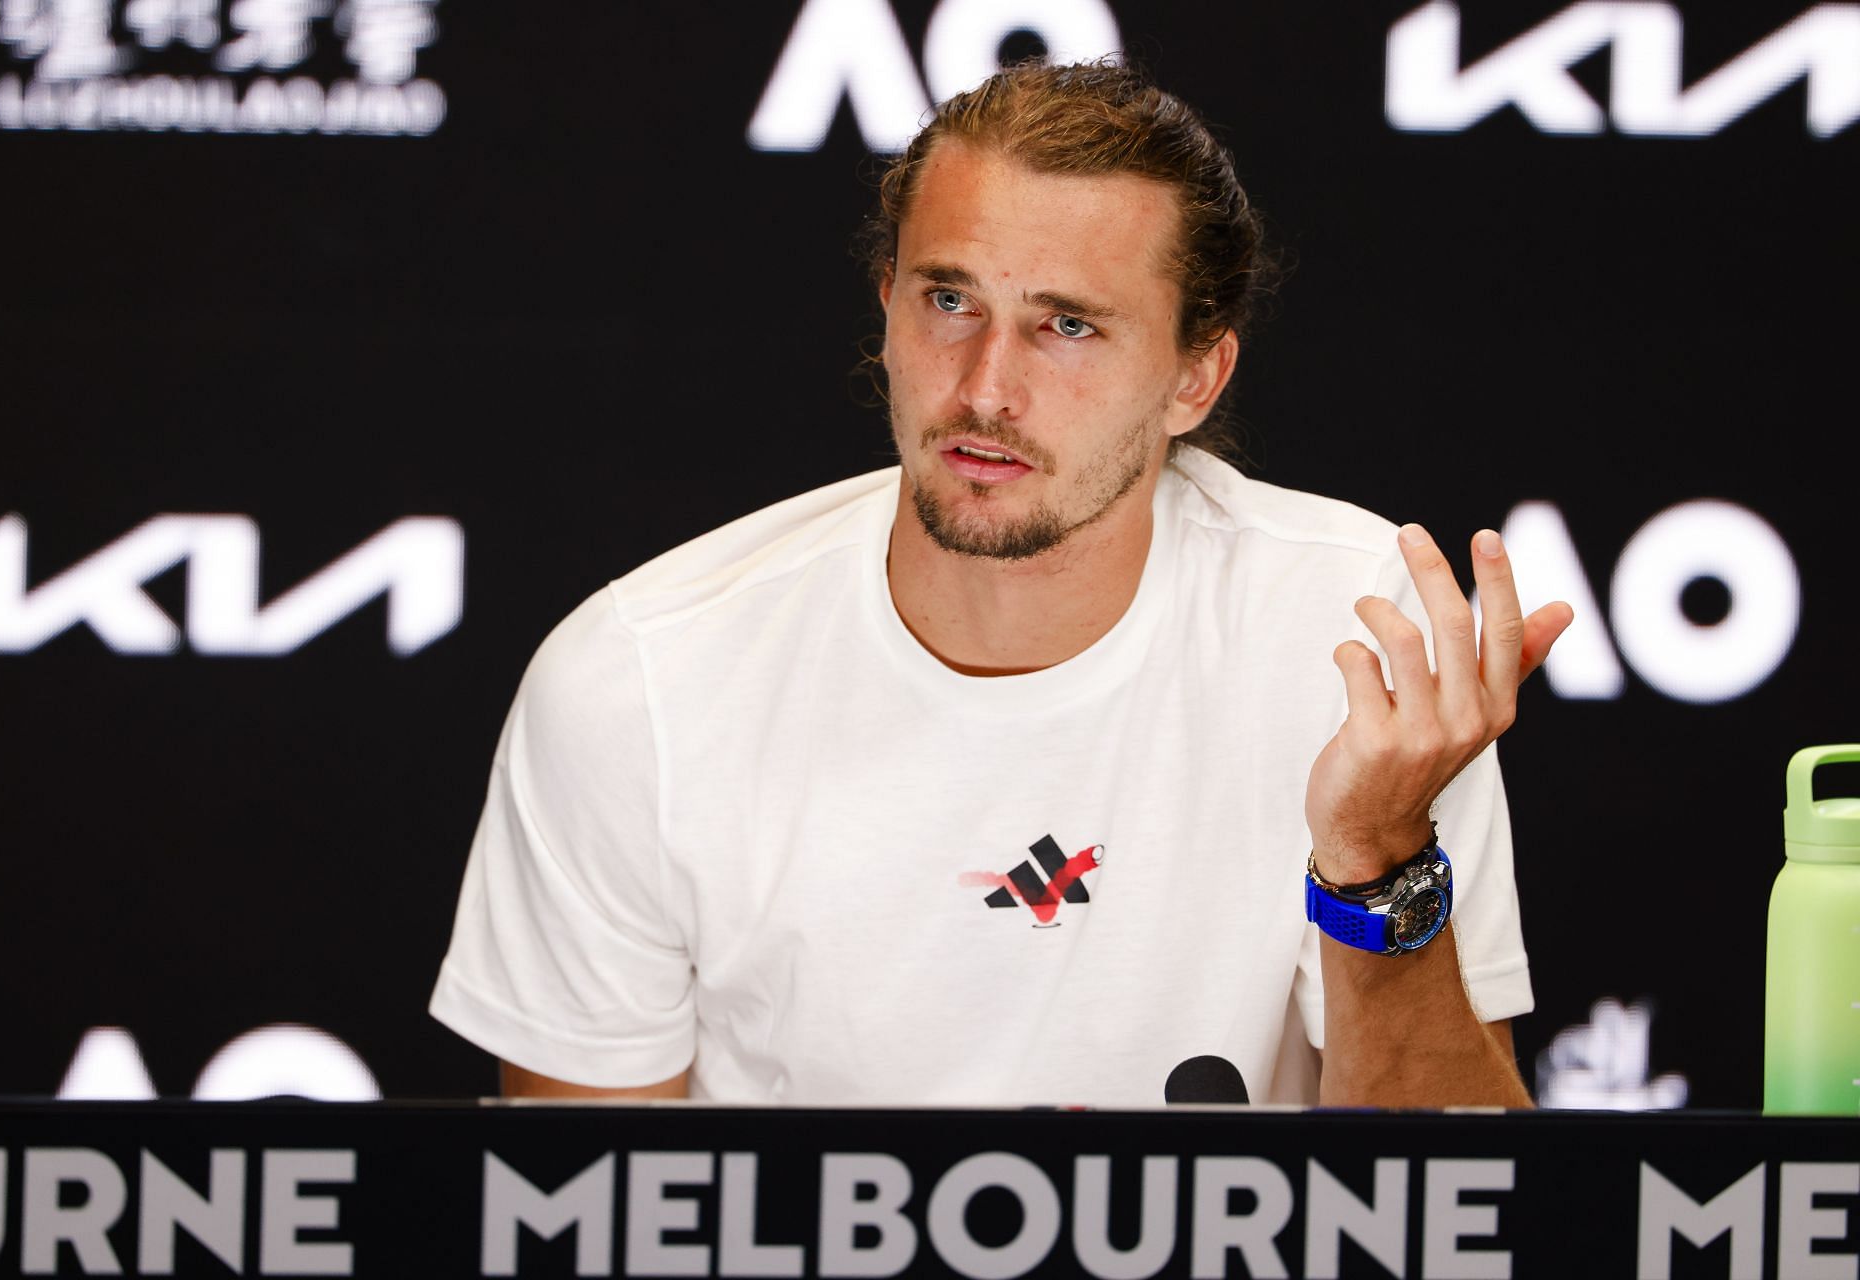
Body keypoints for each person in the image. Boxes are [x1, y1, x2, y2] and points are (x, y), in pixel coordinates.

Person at [429, 60, 1572, 1109]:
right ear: (886, 304)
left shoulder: (1356, 641)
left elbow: (1453, 1204)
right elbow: (589, 1214)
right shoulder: (640, 679)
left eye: (1066, 325)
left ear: (1195, 375)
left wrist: (1375, 861)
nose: (985, 389)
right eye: (948, 299)